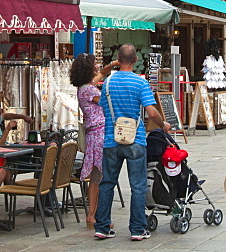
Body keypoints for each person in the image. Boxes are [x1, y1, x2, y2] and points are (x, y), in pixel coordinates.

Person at [94, 44, 170, 241]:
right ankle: (137, 228)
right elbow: (151, 112)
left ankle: (102, 226)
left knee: (107, 183)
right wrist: (163, 125)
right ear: (135, 60)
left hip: (111, 139)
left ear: (118, 60)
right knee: (138, 185)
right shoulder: (140, 83)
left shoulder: (108, 83)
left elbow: (102, 107)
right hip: (135, 139)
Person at [70, 54, 111, 229]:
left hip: (94, 134)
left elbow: (98, 77)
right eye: (94, 65)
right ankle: (94, 215)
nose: (97, 67)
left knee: (96, 176)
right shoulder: (89, 90)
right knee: (99, 177)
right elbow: (106, 102)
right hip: (99, 135)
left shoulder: (84, 88)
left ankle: (93, 215)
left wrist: (107, 69)